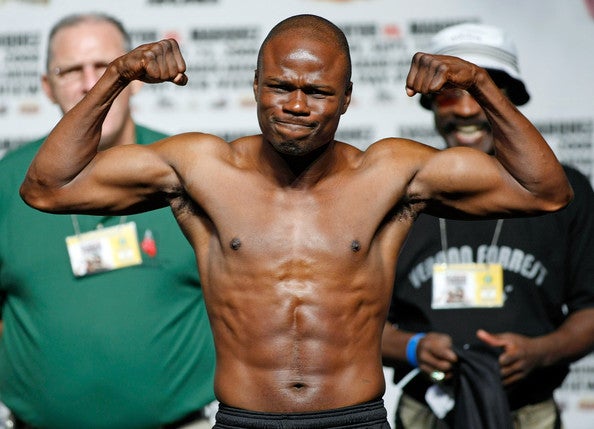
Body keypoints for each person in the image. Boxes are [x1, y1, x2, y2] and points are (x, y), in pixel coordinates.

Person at [19, 14, 572, 429]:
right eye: (282, 86)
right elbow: (48, 187)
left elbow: (544, 191)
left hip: (354, 419)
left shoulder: (389, 173)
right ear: (256, 85)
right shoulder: (202, 168)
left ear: (347, 98)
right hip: (244, 419)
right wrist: (117, 75)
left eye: (318, 92)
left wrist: (479, 83)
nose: (297, 105)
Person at [0, 13, 216, 429]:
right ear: (46, 86)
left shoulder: (188, 168)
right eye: (71, 70)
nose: (90, 83)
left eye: (105, 66)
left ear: (136, 77)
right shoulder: (10, 181)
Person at [381, 23, 594, 429]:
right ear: (430, 101)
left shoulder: (567, 193)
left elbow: (591, 309)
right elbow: (351, 319)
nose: (466, 110)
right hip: (426, 411)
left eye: (484, 92)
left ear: (510, 101)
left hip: (529, 412)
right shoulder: (396, 193)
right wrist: (411, 348)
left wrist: (541, 352)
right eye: (449, 93)